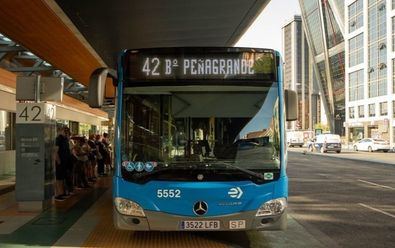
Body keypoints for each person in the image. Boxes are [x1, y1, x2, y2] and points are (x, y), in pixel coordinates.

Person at [54, 126, 71, 201]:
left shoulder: (65, 139)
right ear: (61, 130)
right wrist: (58, 160)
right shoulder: (59, 139)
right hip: (60, 161)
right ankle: (58, 194)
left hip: (65, 161)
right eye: (65, 130)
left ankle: (62, 192)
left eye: (67, 131)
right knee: (59, 178)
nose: (66, 132)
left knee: (62, 177)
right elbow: (55, 151)